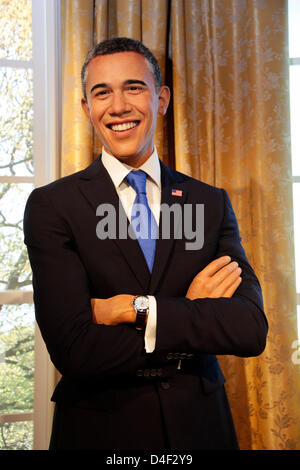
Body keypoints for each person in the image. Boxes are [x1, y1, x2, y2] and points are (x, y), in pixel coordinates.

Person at [23, 37, 268, 450]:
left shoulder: (208, 203)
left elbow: (248, 328)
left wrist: (133, 309)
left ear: (161, 98)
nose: (118, 106)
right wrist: (191, 314)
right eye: (102, 92)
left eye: (133, 87)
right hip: (100, 432)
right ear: (87, 108)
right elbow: (75, 349)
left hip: (200, 428)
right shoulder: (53, 206)